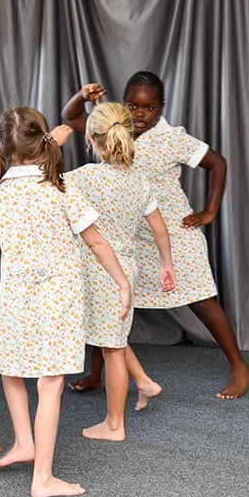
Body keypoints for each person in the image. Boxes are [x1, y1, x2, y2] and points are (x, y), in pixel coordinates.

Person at [0, 106, 130, 497]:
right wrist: (122, 282)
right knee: (50, 385)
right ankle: (42, 478)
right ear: (42, 143)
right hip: (58, 301)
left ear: (3, 149)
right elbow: (97, 242)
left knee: (10, 367)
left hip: (18, 298)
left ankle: (24, 440)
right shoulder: (61, 189)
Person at [61, 72, 249, 399]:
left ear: (161, 108)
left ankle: (240, 367)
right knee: (106, 302)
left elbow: (217, 163)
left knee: (203, 300)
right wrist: (81, 95)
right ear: (124, 105)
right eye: (133, 106)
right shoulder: (116, 127)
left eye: (148, 108)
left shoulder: (173, 139)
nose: (139, 114)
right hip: (128, 236)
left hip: (172, 234)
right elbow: (71, 117)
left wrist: (210, 211)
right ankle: (96, 372)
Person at [64, 102, 176, 440]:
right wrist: (167, 264)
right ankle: (144, 382)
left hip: (96, 270)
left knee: (111, 347)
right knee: (111, 337)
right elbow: (159, 228)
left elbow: (40, 180)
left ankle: (114, 424)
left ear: (93, 140)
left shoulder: (80, 179)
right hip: (125, 270)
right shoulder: (139, 180)